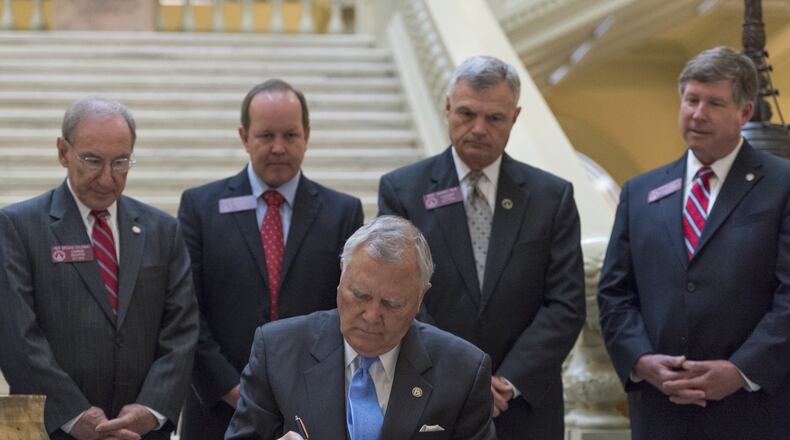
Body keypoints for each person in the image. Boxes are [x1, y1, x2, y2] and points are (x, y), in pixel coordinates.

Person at [378, 55, 585, 439]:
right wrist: (461, 377)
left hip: (523, 406)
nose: (478, 129)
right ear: (447, 107)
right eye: (466, 113)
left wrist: (508, 381)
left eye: (495, 119)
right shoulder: (403, 191)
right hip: (430, 399)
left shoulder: (551, 198)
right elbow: (398, 296)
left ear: (515, 117)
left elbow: (566, 304)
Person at [598, 46, 790, 440]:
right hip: (660, 412)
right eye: (691, 99)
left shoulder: (782, 185)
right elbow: (615, 293)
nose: (698, 113)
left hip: (753, 411)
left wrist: (741, 371)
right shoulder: (641, 192)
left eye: (715, 103)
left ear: (746, 113)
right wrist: (642, 360)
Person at [0, 98, 198, 440]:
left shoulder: (163, 230)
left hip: (141, 432)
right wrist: (75, 416)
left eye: (120, 162)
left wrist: (149, 410)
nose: (107, 178)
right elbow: (17, 337)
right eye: (92, 161)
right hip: (52, 428)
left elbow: (181, 329)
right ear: (63, 152)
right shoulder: (18, 227)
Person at [177, 79, 364, 439]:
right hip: (218, 411)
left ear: (307, 135)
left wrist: (307, 393)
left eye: (290, 135)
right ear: (244, 136)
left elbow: (348, 310)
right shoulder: (200, 208)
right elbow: (185, 311)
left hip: (313, 411)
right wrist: (232, 388)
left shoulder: (343, 213)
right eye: (265, 136)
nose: (278, 148)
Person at [225, 215, 496, 440]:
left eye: (392, 304)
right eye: (361, 296)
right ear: (342, 274)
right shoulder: (276, 350)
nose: (371, 315)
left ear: (420, 298)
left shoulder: (464, 370)